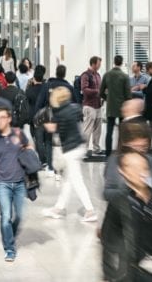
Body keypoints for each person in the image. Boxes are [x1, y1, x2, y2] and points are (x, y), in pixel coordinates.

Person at [100, 151, 152, 282]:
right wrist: (109, 276)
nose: (140, 172)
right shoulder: (118, 202)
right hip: (128, 272)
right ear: (122, 171)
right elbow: (109, 243)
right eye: (133, 168)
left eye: (144, 168)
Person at [0, 105, 30, 262]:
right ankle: (9, 248)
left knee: (20, 215)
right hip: (2, 183)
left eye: (3, 117)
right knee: (6, 216)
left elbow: (29, 147)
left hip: (20, 182)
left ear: (9, 119)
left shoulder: (18, 134)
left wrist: (29, 160)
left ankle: (9, 234)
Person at [41, 86, 97, 223]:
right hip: (79, 146)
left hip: (70, 150)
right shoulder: (74, 108)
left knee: (76, 181)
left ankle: (90, 211)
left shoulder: (59, 113)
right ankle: (59, 208)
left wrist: (42, 122)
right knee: (68, 180)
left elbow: (53, 129)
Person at [99, 56, 131, 156]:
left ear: (114, 62)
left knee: (109, 131)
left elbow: (100, 92)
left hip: (111, 107)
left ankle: (108, 154)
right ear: (121, 63)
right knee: (122, 131)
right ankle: (121, 151)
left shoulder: (107, 75)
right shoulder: (125, 76)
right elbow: (128, 95)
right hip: (123, 107)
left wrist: (107, 98)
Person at [79, 56, 104, 157]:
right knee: (87, 129)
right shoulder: (85, 75)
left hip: (98, 105)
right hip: (89, 106)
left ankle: (96, 148)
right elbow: (84, 89)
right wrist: (97, 91)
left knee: (98, 129)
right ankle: (84, 150)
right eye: (99, 63)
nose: (100, 65)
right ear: (93, 64)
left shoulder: (98, 75)